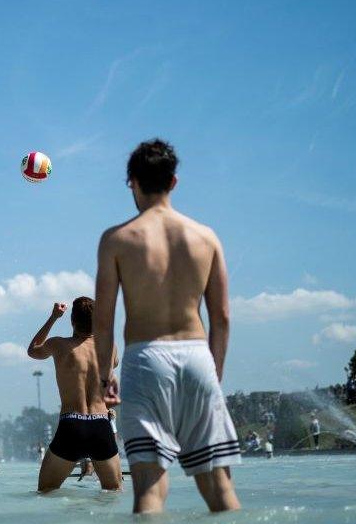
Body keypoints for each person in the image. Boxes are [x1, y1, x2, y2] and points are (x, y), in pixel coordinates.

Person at [94, 140, 241, 513]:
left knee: (148, 487)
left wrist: (104, 375)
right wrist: (214, 373)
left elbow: (104, 319)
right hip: (197, 356)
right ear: (174, 181)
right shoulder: (206, 237)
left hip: (145, 359)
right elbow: (221, 317)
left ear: (132, 183)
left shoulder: (117, 240)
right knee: (219, 487)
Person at [28, 299, 123, 492]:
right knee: (113, 491)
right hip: (100, 424)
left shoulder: (58, 345)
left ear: (72, 321)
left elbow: (33, 350)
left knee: (46, 490)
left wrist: (53, 317)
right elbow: (113, 365)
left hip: (72, 425)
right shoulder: (109, 347)